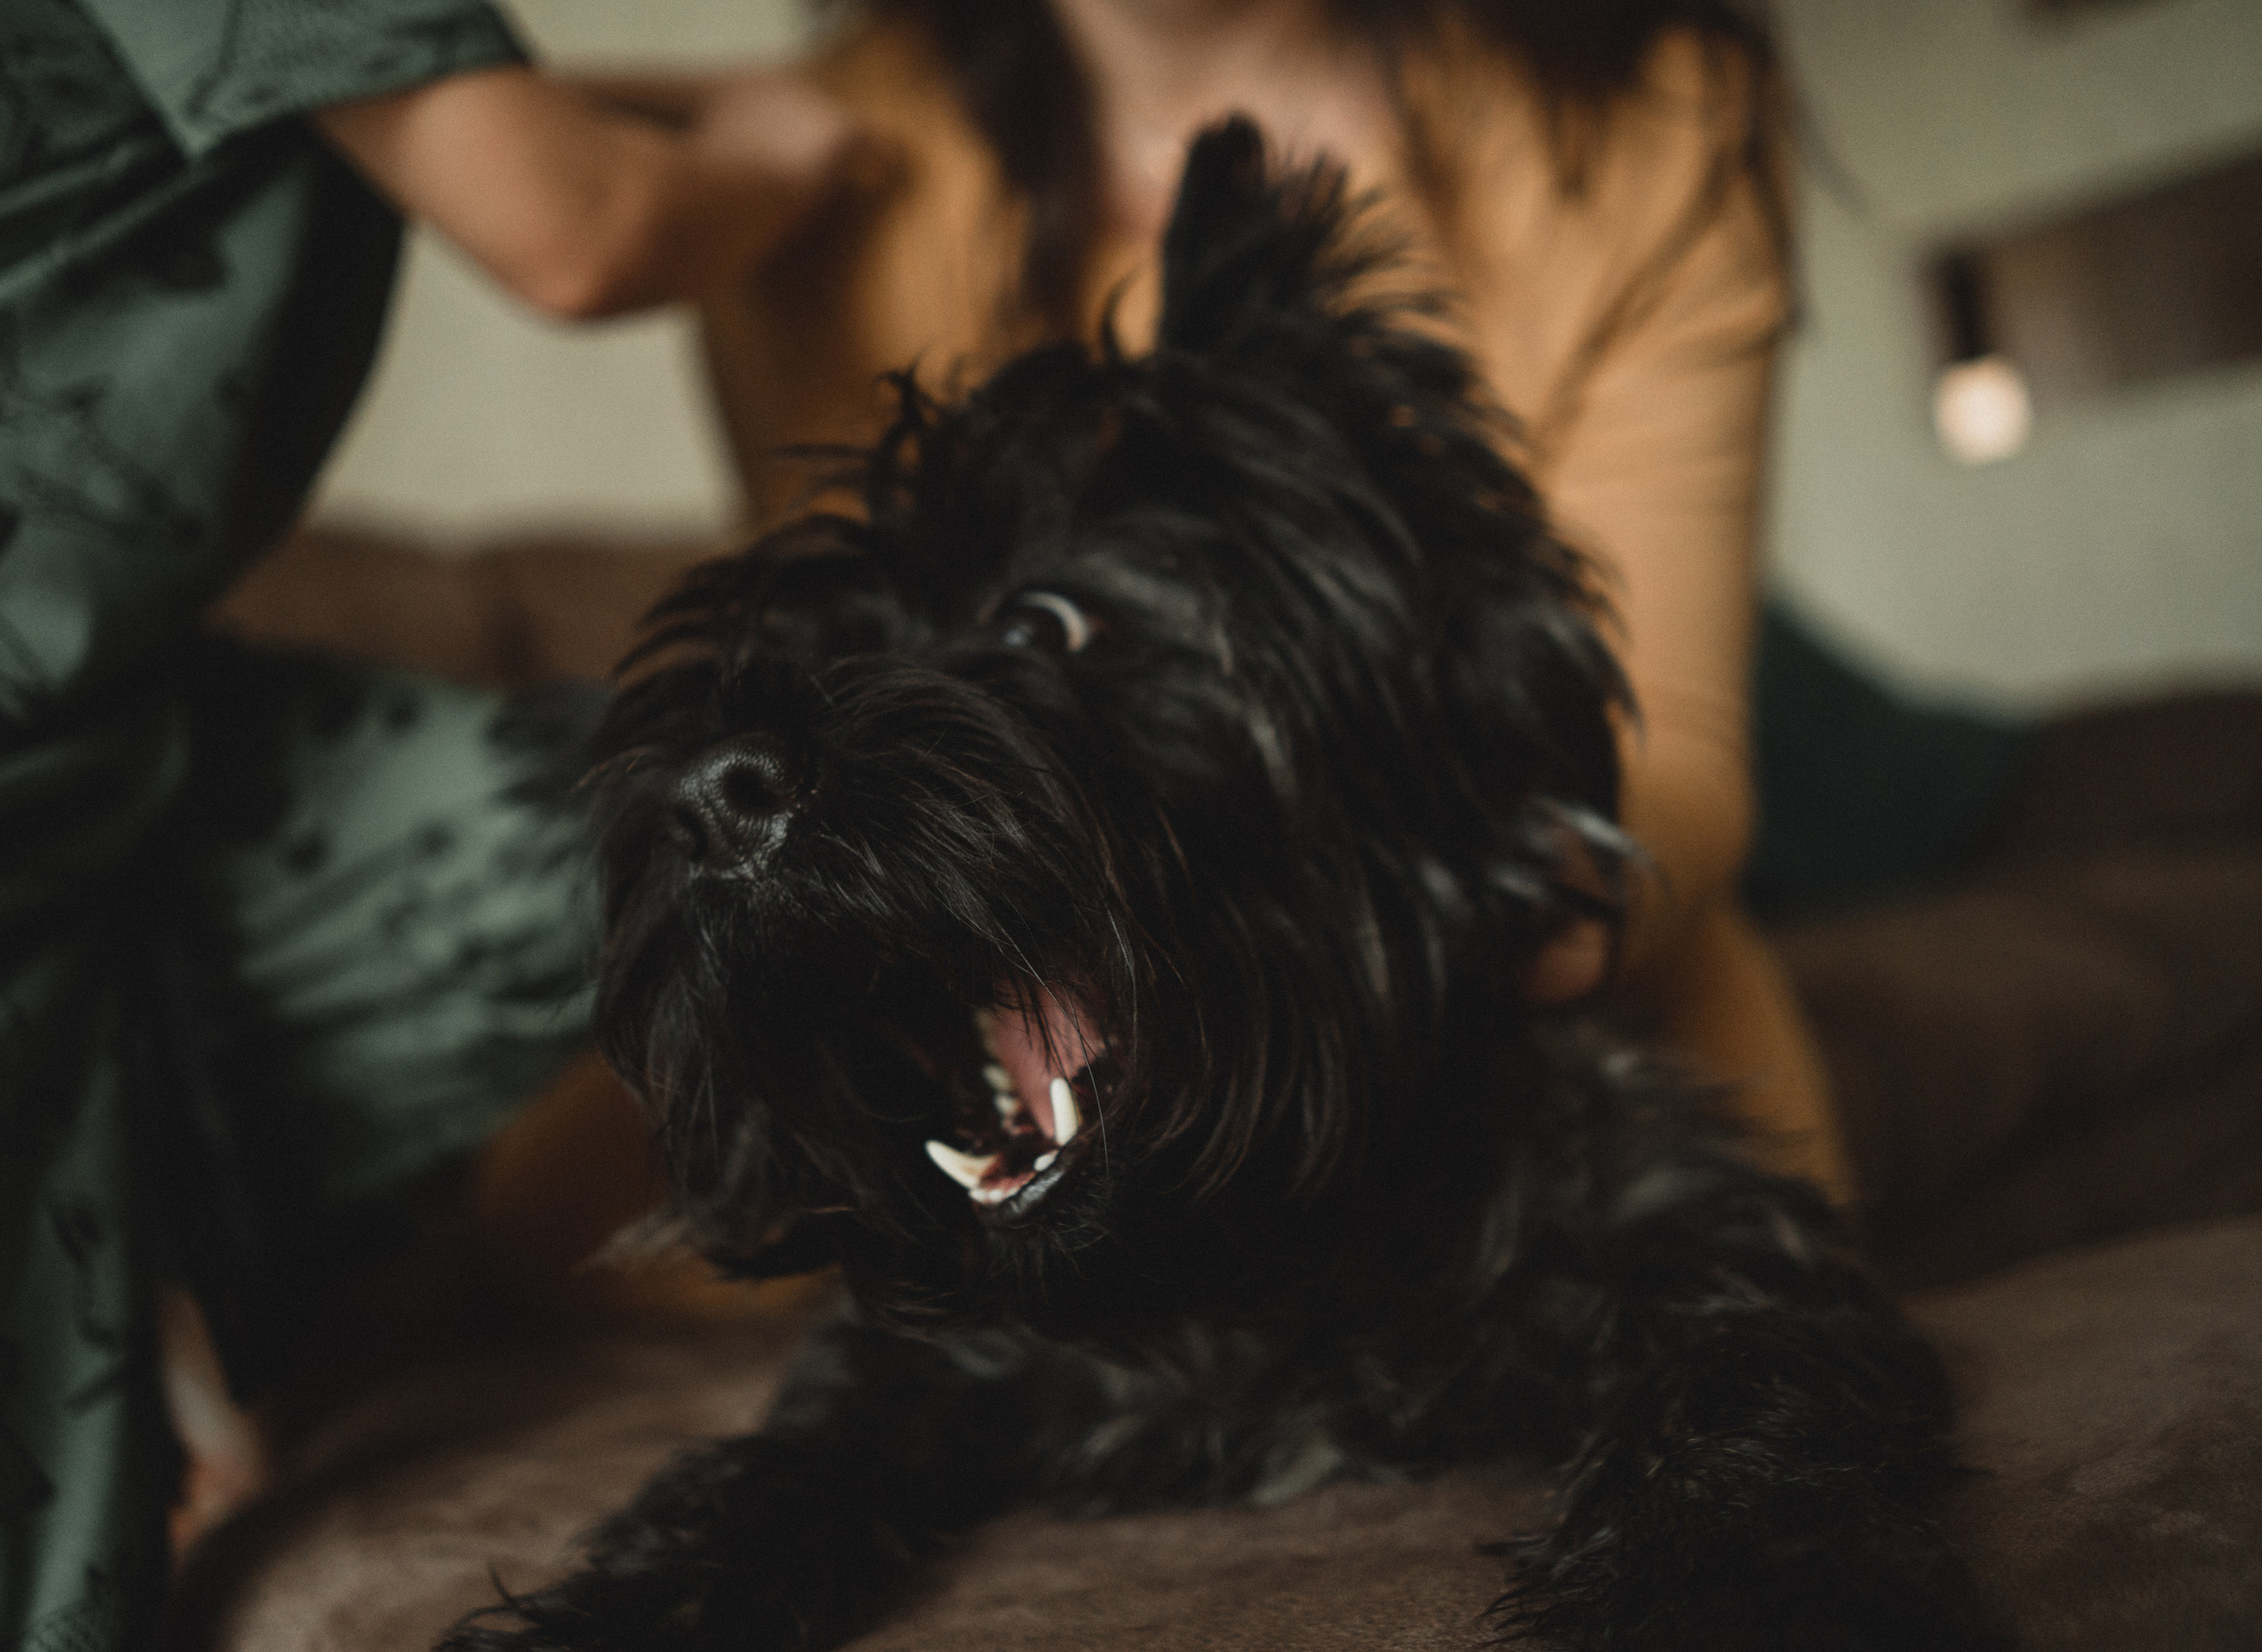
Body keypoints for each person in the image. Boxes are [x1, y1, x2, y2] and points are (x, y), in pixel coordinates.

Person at [0, 4, 856, 1646]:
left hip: (81, 763)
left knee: (640, 836)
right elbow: (582, 230)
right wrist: (802, 152)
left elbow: (426, 112)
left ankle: (155, 1240)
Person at [682, 0, 1854, 1201]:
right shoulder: (806, 157)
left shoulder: (1646, 105)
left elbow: (1665, 757)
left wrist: (1387, 938)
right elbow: (850, 682)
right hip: (968, 1022)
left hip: (1511, 1022)